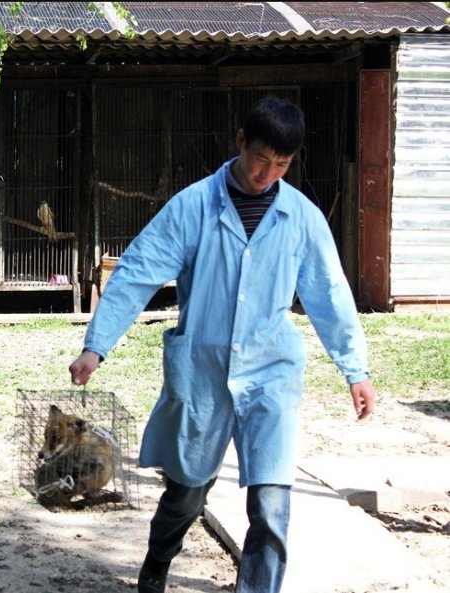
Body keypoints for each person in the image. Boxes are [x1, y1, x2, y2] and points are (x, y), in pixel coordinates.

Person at [68, 96, 375, 593]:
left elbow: (330, 293)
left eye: (281, 165)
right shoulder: (193, 206)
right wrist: (96, 345)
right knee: (187, 495)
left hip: (272, 372)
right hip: (203, 372)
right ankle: (157, 563)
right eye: (260, 159)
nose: (266, 173)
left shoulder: (302, 218)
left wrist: (354, 369)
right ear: (240, 142)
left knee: (272, 504)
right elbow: (137, 272)